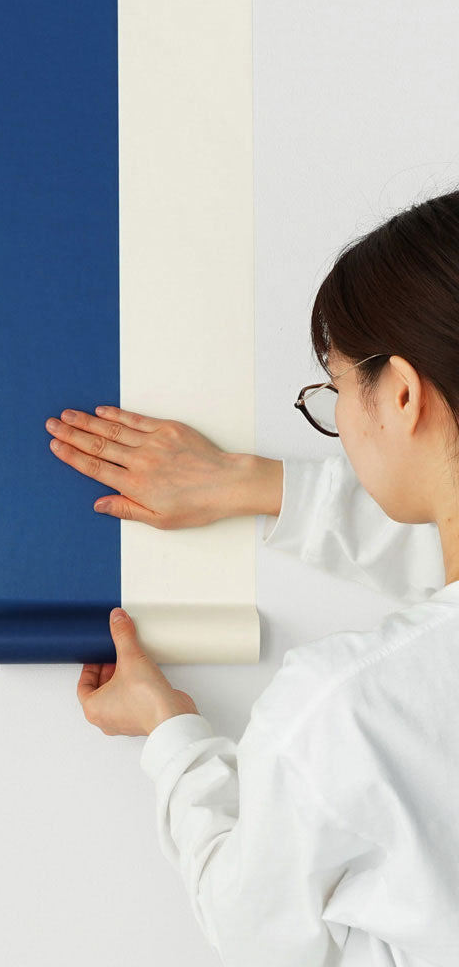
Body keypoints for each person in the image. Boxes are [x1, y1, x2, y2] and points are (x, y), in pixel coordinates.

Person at [43, 188, 459, 966]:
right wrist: (254, 485)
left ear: (402, 394)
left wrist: (170, 732)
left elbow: (254, 931)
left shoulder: (345, 711)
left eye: (336, 391)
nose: (341, 422)